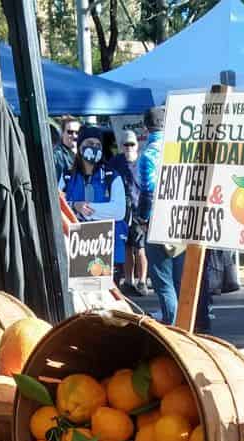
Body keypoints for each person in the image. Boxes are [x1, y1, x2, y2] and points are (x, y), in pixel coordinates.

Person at [136, 106, 185, 324]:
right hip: (181, 219)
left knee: (163, 281)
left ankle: (171, 322)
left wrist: (142, 218)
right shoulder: (180, 149)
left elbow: (148, 190)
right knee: (179, 278)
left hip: (158, 221)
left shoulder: (148, 154)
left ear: (146, 127)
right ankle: (184, 320)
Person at [61, 126, 127, 278]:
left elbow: (119, 210)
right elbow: (57, 206)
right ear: (80, 146)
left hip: (107, 248)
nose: (94, 148)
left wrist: (87, 210)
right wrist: (75, 206)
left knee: (107, 298)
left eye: (98, 145)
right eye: (90, 143)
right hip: (76, 248)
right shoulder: (67, 177)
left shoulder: (112, 176)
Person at [114, 129, 147, 294]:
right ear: (121, 146)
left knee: (140, 248)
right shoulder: (115, 162)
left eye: (131, 144)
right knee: (127, 247)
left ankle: (142, 282)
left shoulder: (142, 162)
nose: (128, 147)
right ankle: (128, 281)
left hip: (139, 210)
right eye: (125, 144)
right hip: (122, 211)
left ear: (137, 146)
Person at [54, 117, 80, 183]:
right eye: (70, 132)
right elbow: (53, 184)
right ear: (62, 133)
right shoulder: (57, 155)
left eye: (77, 132)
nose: (74, 136)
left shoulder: (84, 154)